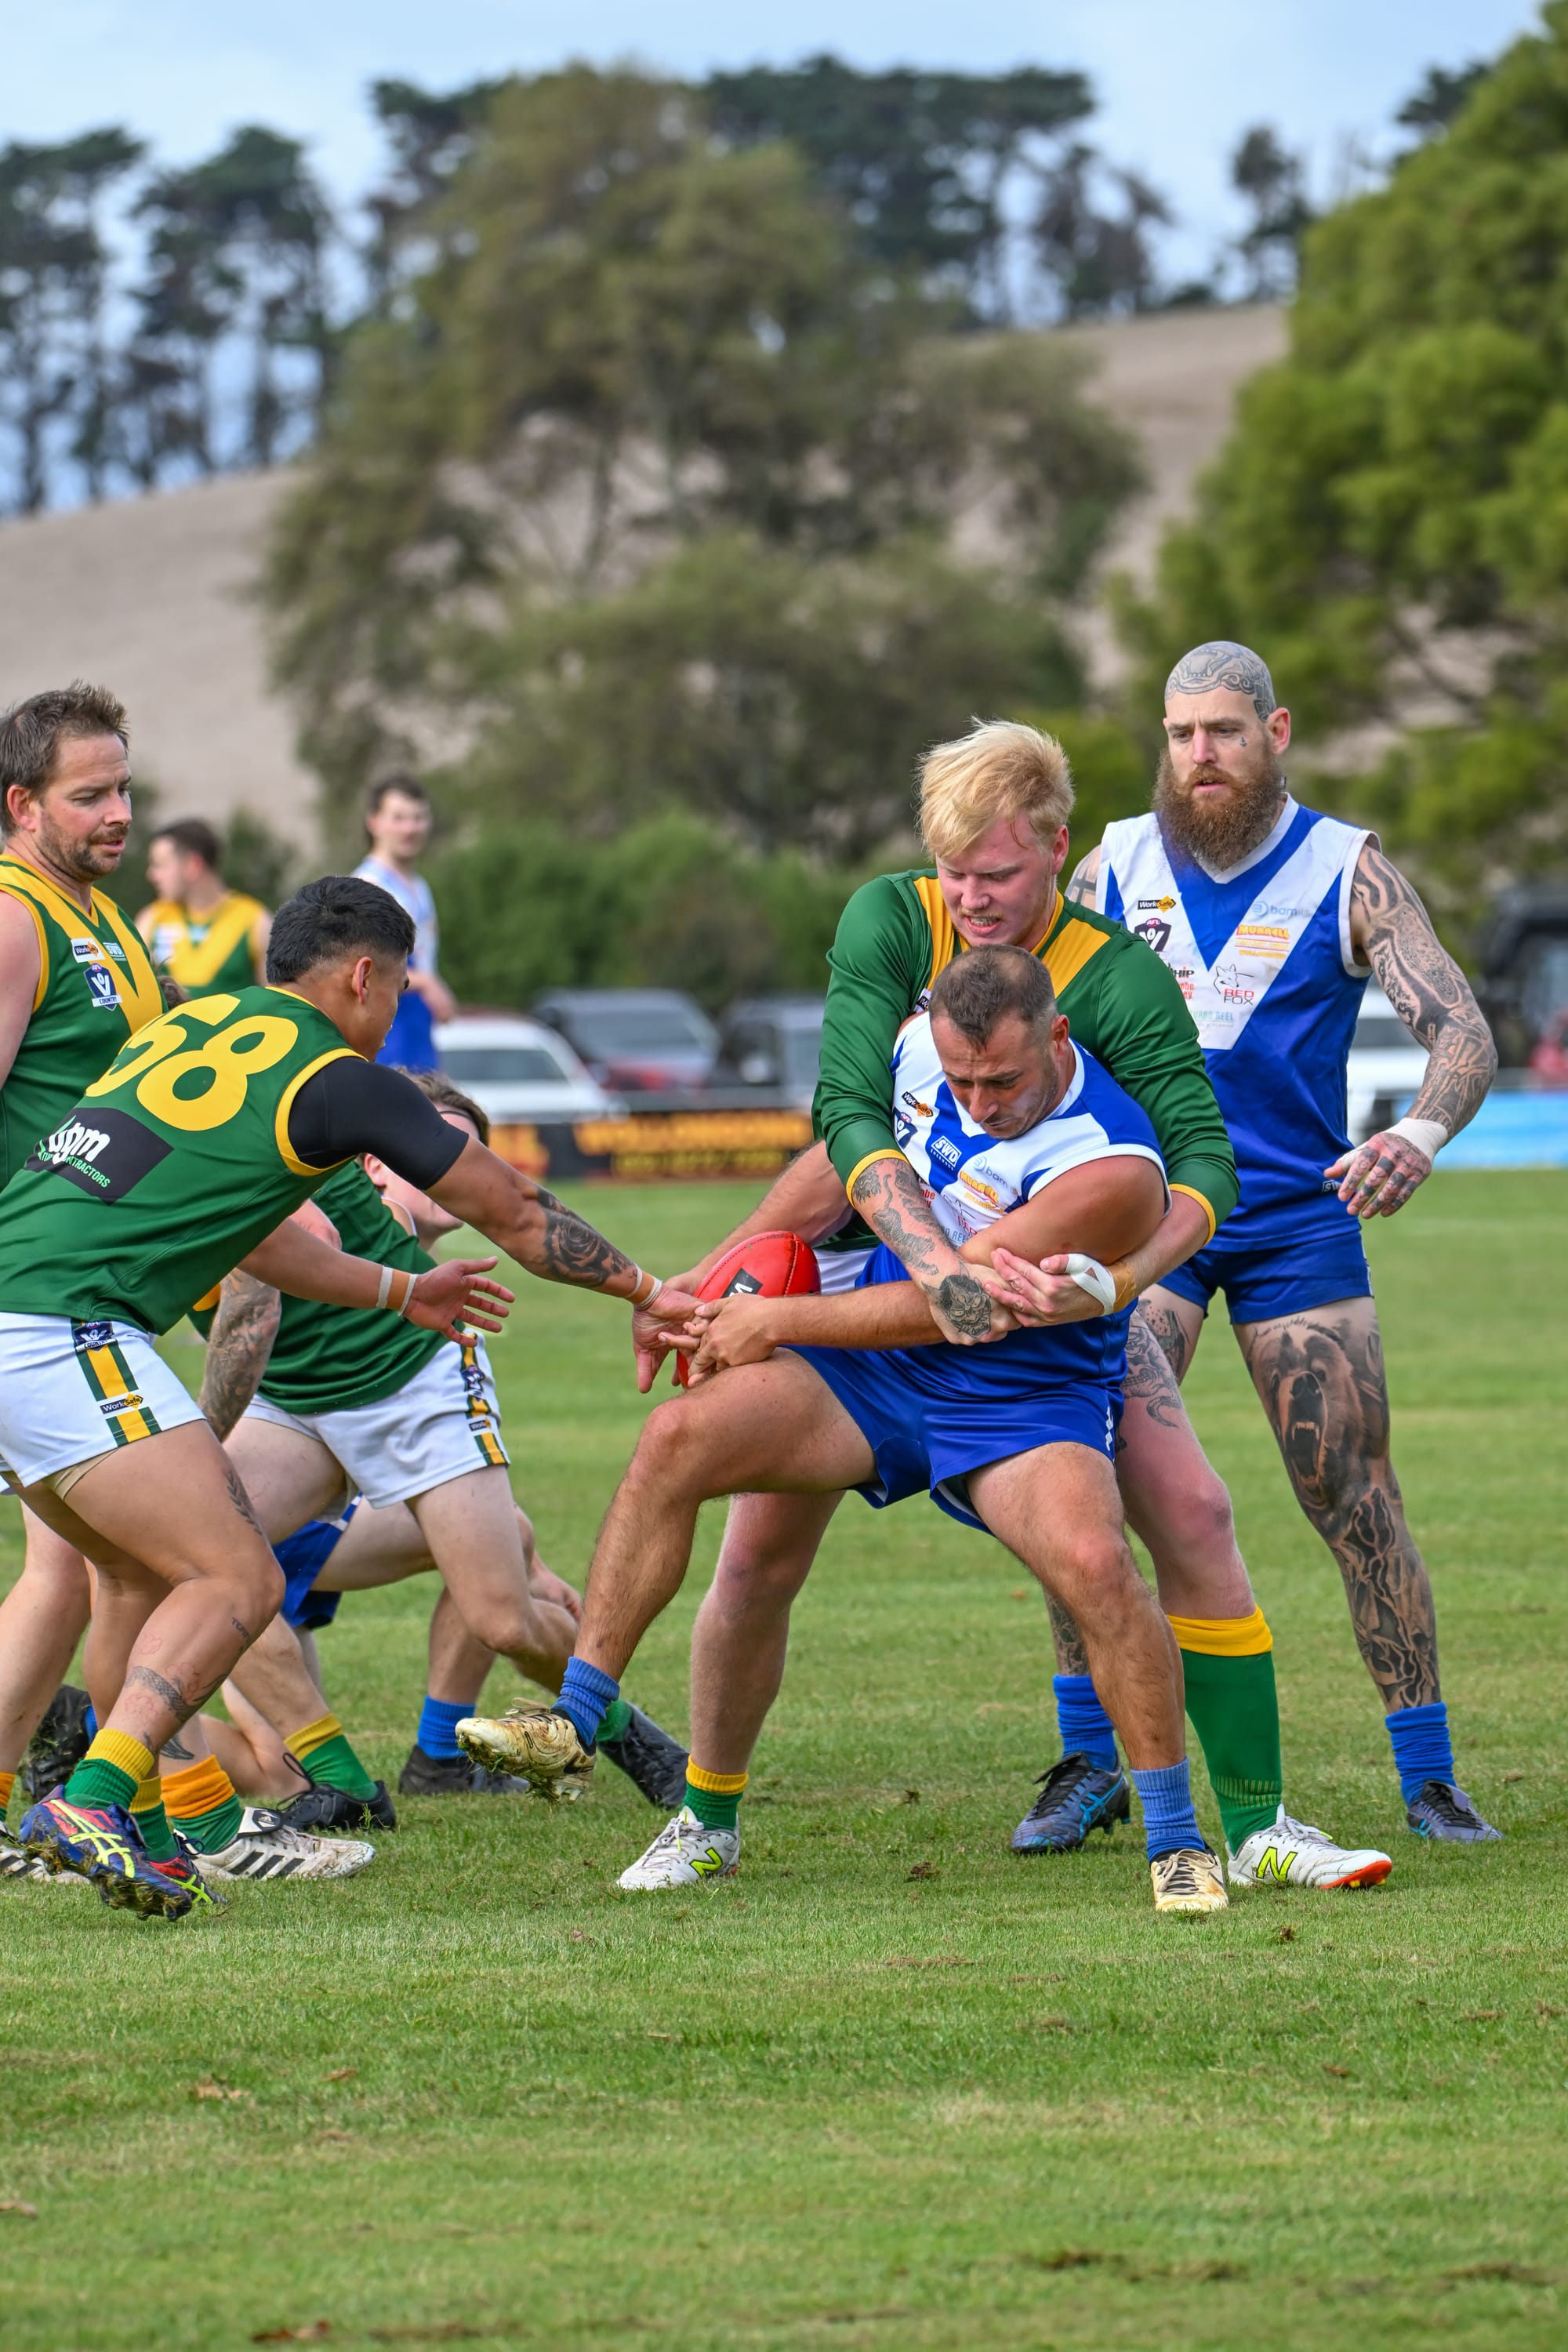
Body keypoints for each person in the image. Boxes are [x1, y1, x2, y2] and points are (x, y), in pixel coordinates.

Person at [608, 721, 1386, 1889]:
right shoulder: (891, 917)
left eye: (998, 874)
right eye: (952, 870)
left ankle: (1257, 1828)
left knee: (1188, 1516)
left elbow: (1204, 1168)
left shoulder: (1113, 978)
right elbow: (844, 1118)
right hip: (877, 1283)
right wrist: (722, 1276)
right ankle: (705, 1820)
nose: (969, 898)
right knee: (758, 1550)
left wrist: (1122, 1281)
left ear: (1057, 850)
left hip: (1042, 1302)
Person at [463, 948, 1233, 1917]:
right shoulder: (915, 1048)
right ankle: (592, 1737)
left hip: (1020, 1390)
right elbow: (842, 1167)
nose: (979, 1104)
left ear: (1057, 1036)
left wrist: (774, 1321)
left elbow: (958, 1305)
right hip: (873, 1363)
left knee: (1095, 1568)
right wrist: (711, 1275)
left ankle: (1176, 1842)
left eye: (1002, 1082)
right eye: (961, 1081)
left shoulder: (1110, 1169)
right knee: (677, 1447)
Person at [9, 873, 695, 1917]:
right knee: (236, 1577)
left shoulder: (190, 1028)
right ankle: (92, 1799)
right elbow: (515, 1210)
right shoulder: (338, 1077)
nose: (396, 1008)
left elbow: (257, 1233)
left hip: (22, 1309)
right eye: (402, 986)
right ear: (365, 976)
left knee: (135, 1578)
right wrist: (648, 1293)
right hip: (63, 1325)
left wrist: (402, 1290)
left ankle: (150, 1834)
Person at [1045, 639, 1501, 1844]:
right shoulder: (1111, 865)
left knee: (1351, 1490)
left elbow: (1462, 1029)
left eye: (1224, 732)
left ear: (1275, 732)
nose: (1200, 754)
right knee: (1079, 1468)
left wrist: (1420, 1134)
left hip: (1297, 1217)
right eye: (1181, 733)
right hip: (1144, 1215)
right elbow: (1034, 1023)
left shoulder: (1349, 869)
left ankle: (1429, 1776)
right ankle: (1086, 1764)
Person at [192, 1069, 689, 1820]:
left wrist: (645, 1293)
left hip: (412, 1385)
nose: (444, 1169)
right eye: (432, 1148)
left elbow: (506, 1213)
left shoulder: (345, 1167)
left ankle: (626, 1733)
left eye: (460, 1153)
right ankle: (339, 1784)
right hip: (291, 1404)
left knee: (504, 1621)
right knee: (196, 1556)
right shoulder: (242, 1131)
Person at [0, 684, 164, 1888]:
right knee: (159, 1559)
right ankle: (174, 1816)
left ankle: (77, 1811)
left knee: (85, 1568)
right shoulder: (17, 920)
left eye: (124, 789)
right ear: (22, 805)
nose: (118, 813)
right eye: (89, 794)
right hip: (33, 1293)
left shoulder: (95, 913)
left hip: (85, 1285)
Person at [354, 775, 454, 1070]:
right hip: (386, 1034)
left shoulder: (419, 887)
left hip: (417, 1030)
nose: (410, 828)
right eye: (398, 818)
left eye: (418, 818)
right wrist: (428, 984)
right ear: (374, 822)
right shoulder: (367, 886)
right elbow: (363, 965)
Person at [138, 818, 270, 996]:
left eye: (160, 865)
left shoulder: (255, 921)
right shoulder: (151, 918)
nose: (152, 875)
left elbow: (279, 1001)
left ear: (192, 865)